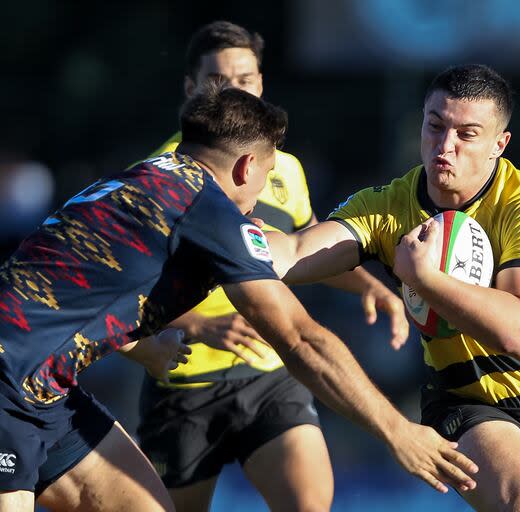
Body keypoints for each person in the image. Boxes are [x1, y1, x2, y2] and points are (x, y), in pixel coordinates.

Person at [0, 83, 477, 511]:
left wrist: (147, 341)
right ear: (247, 165)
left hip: (43, 388)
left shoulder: (150, 177)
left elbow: (90, 286)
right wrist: (398, 431)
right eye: (265, 179)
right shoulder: (206, 209)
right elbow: (300, 337)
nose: (261, 196)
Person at [268, 64, 520, 512]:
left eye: (466, 134)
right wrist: (232, 237)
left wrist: (427, 280)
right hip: (468, 403)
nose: (444, 146)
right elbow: (294, 251)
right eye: (435, 126)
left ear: (499, 144)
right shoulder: (387, 208)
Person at [136, 21, 409, 512]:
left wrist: (369, 285)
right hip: (183, 386)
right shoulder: (162, 177)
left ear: (261, 83)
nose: (235, 91)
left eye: (246, 79)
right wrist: (197, 323)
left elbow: (305, 244)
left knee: (309, 503)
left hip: (269, 373)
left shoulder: (284, 166)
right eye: (219, 82)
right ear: (191, 89)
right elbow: (125, 295)